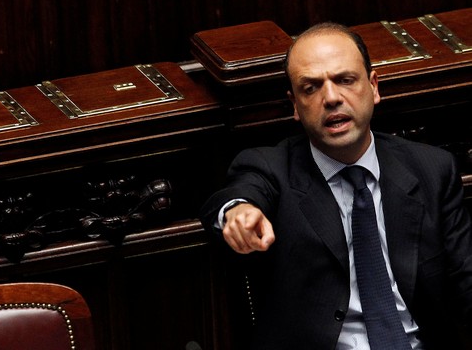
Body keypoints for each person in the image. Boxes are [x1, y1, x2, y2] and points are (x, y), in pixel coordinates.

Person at [200, 22, 472, 349]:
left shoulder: (431, 169)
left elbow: (466, 285)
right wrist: (239, 212)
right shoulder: (272, 167)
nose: (331, 98)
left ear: (373, 87)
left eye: (345, 80)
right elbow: (236, 197)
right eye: (311, 88)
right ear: (295, 105)